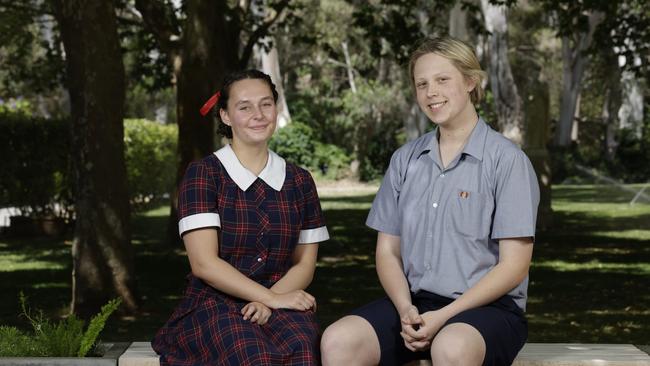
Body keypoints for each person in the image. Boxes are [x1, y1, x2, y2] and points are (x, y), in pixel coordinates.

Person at [320, 36, 540, 366]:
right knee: (338, 341)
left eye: (442, 80)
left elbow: (514, 266)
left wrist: (445, 316)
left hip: (489, 310)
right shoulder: (405, 160)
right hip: (414, 305)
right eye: (421, 84)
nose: (430, 92)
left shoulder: (507, 161)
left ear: (470, 82)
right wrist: (406, 308)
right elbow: (388, 251)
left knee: (450, 347)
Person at [152, 69, 329, 366]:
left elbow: (305, 264)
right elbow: (204, 263)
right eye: (244, 107)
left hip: (281, 297)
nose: (258, 115)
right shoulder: (204, 174)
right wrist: (268, 299)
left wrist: (270, 300)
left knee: (304, 347)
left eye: (266, 104)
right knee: (253, 356)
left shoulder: (300, 181)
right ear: (225, 116)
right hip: (213, 304)